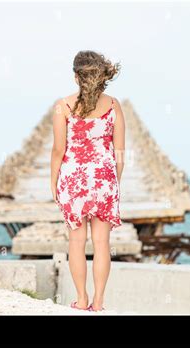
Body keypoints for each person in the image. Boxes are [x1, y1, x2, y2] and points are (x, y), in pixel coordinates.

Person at [50, 51, 125, 312]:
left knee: (76, 243)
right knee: (102, 244)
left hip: (74, 180)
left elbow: (59, 150)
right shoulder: (114, 105)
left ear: (76, 76)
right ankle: (99, 302)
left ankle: (81, 299)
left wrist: (53, 181)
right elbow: (119, 154)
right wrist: (113, 182)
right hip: (104, 179)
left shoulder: (63, 106)